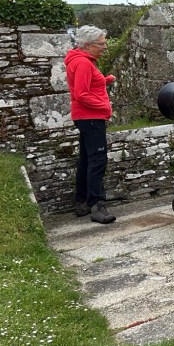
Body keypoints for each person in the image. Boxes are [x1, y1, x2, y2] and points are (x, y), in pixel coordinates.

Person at [64, 25, 117, 224]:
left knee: (87, 159)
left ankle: (82, 202)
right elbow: (81, 94)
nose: (105, 46)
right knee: (98, 161)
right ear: (87, 45)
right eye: (101, 44)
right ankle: (97, 205)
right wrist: (105, 107)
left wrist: (104, 81)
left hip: (85, 117)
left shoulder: (79, 60)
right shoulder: (84, 63)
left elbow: (87, 86)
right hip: (91, 117)